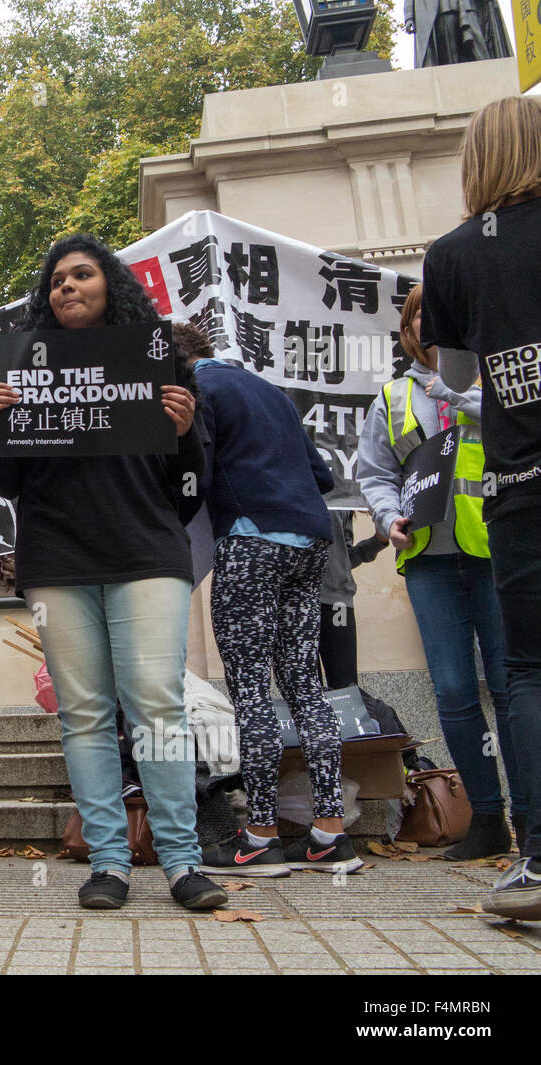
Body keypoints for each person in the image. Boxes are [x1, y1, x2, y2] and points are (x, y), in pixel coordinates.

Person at [0, 235, 227, 912]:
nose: (67, 287)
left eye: (82, 274)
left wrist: (185, 431)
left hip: (147, 554)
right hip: (57, 560)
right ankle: (109, 861)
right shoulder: (24, 371)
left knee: (156, 702)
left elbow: (191, 489)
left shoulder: (160, 361)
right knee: (84, 713)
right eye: (56, 280)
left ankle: (181, 860)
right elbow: (6, 481)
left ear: (109, 284)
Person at [174, 322, 363, 879]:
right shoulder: (270, 393)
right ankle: (331, 834)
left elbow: (194, 476)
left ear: (176, 367)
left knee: (252, 689)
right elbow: (322, 475)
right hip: (311, 541)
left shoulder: (200, 393)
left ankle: (259, 837)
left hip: (251, 542)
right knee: (306, 684)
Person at [419, 96, 541, 918]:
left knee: (527, 672)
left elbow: (460, 378)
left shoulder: (454, 254)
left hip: (521, 482)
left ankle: (534, 861)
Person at [358, 283, 519, 861]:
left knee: (511, 688)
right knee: (452, 691)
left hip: (502, 555)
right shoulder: (394, 396)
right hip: (429, 561)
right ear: (410, 327)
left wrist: (466, 397)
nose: (431, 321)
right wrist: (385, 515)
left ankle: (529, 816)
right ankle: (486, 819)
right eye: (420, 312)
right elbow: (373, 472)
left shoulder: (504, 379)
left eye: (442, 309)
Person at [318, 510, 386, 691]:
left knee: (346, 689)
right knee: (304, 689)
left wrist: (378, 541)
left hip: (337, 602)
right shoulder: (286, 485)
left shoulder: (341, 494)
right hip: (292, 602)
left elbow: (344, 558)